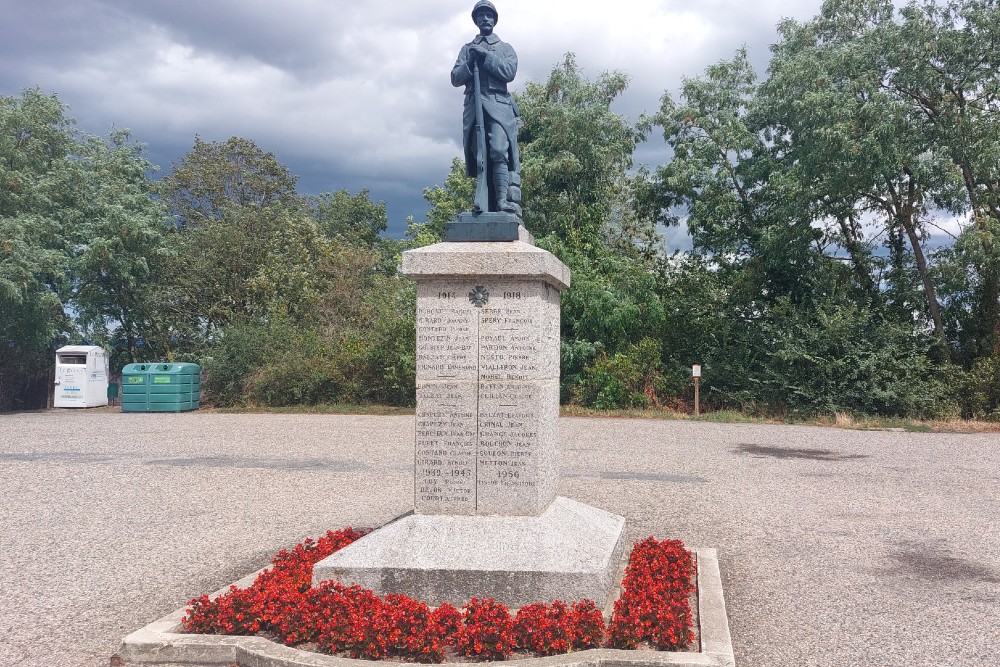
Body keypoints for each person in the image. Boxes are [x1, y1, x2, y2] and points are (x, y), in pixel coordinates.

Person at [451, 0, 522, 215]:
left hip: (499, 106)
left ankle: (502, 202)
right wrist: (470, 60)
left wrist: (486, 57)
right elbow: (455, 78)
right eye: (480, 15)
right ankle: (483, 204)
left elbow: (508, 72)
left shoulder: (505, 48)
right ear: (476, 20)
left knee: (499, 151)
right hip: (475, 108)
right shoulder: (467, 49)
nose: (485, 19)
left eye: (489, 15)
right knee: (479, 156)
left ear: (494, 19)